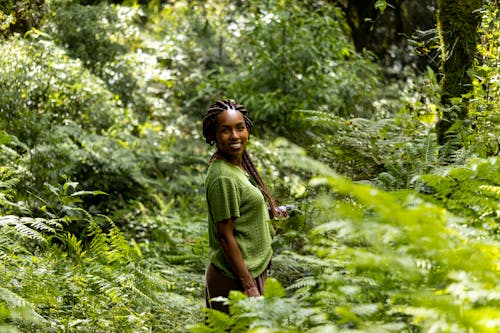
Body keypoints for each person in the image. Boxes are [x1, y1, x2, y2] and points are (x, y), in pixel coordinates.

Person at [202, 98, 285, 313]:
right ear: (214, 135)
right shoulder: (223, 177)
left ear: (247, 128)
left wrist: (268, 213)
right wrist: (249, 286)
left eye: (240, 128)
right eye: (225, 130)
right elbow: (225, 235)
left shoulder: (237, 168)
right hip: (235, 280)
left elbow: (240, 213)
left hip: (249, 273)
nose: (235, 136)